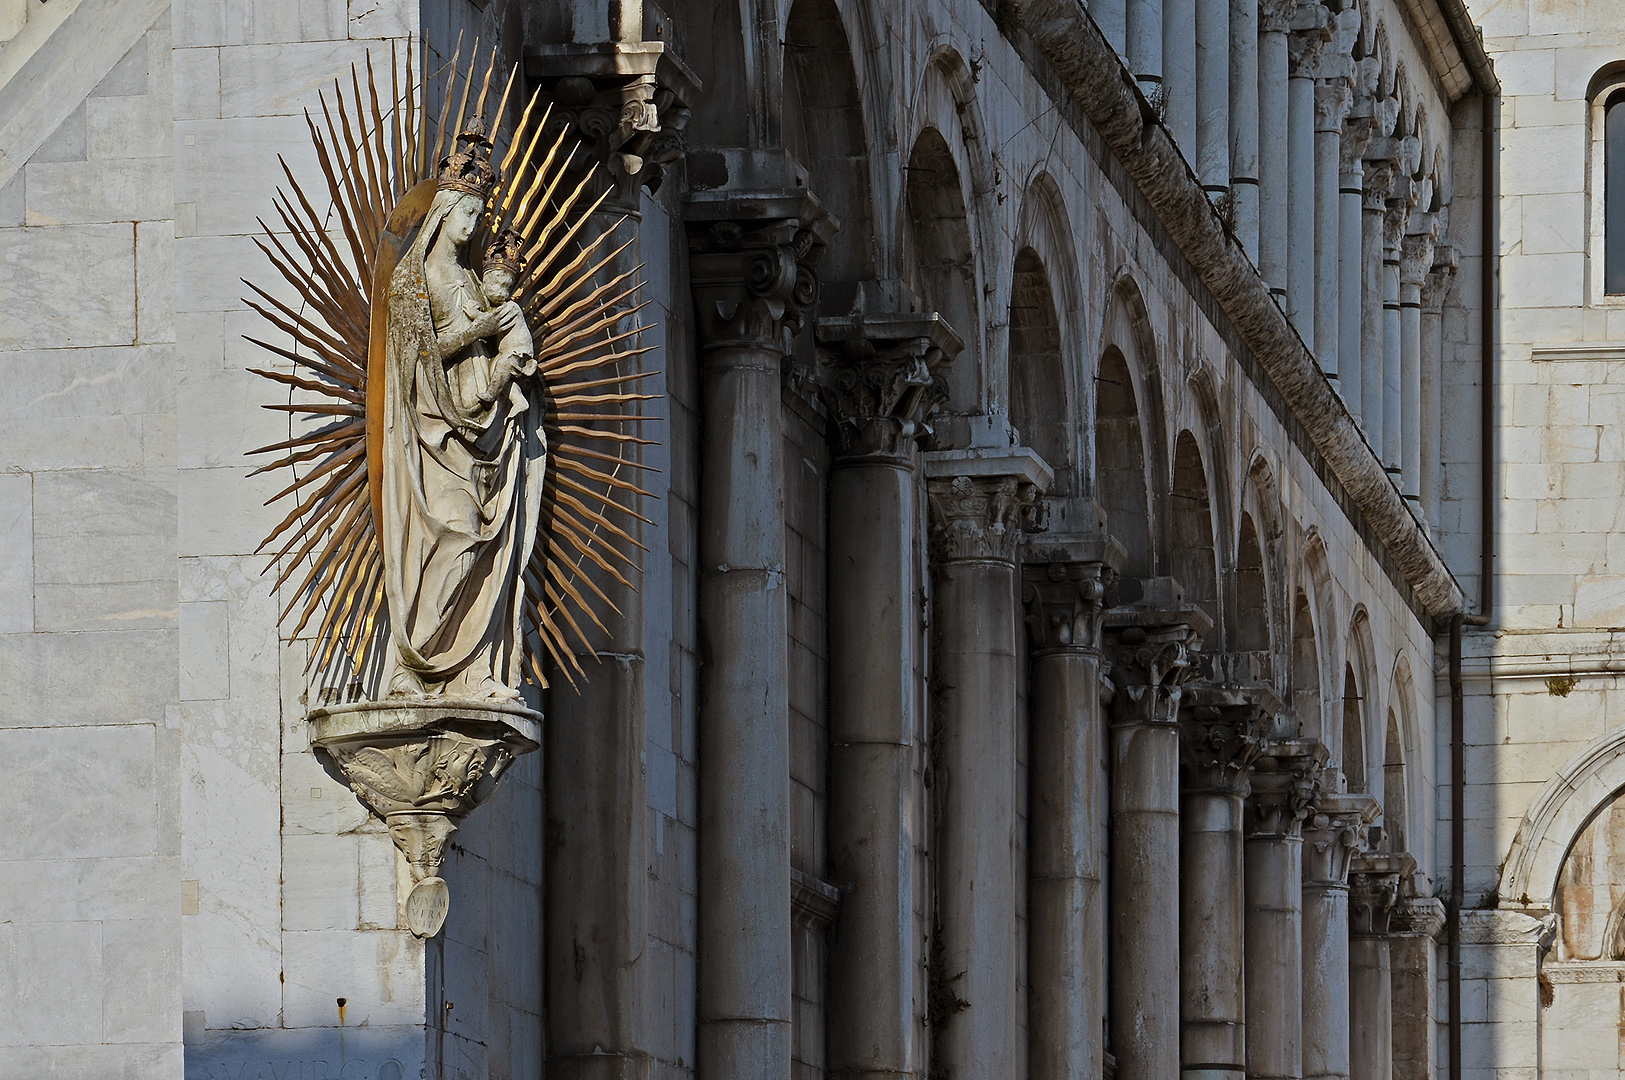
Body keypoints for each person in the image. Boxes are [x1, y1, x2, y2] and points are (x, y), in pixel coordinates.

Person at [378, 117, 546, 701]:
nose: (474, 225)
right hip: (434, 429)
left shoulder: (470, 278)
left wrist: (505, 358)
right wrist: (477, 329)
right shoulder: (416, 279)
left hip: (484, 425)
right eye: (467, 214)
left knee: (485, 543)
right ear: (443, 213)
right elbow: (415, 352)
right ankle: (414, 661)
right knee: (459, 536)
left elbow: (487, 332)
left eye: (478, 216)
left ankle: (472, 669)